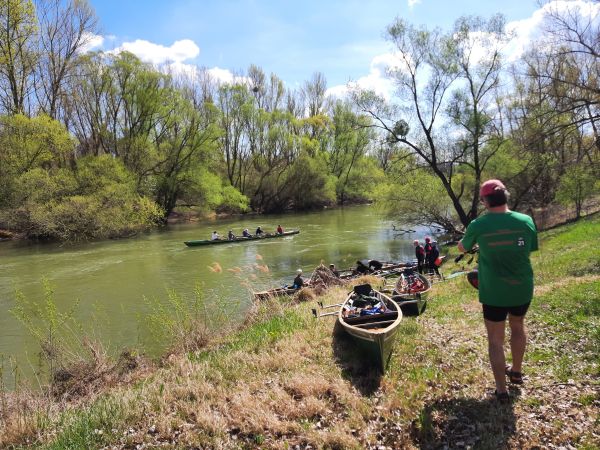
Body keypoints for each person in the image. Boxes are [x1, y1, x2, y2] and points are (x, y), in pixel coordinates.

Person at [458, 179, 538, 402]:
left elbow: (463, 248)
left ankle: (501, 390)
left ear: (485, 201)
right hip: (521, 288)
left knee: (495, 340)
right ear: (505, 197)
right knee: (518, 326)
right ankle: (517, 372)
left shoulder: (478, 224)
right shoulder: (526, 221)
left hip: (493, 291)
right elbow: (529, 248)